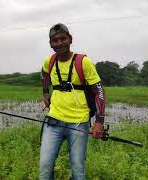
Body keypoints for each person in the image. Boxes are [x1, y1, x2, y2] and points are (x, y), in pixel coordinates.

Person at [40, 23, 106, 180]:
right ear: (50, 44)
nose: (59, 43)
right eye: (55, 40)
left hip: (79, 123)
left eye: (63, 38)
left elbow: (99, 91)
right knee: (45, 166)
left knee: (77, 169)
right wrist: (45, 92)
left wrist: (99, 121)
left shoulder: (83, 62)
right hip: (53, 121)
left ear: (70, 39)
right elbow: (43, 75)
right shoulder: (49, 61)